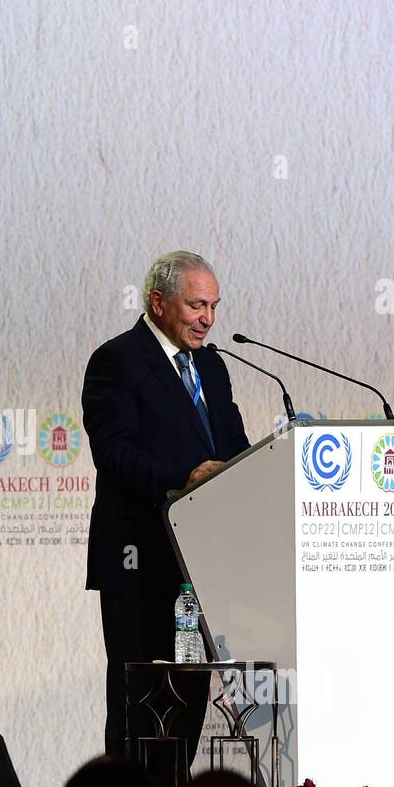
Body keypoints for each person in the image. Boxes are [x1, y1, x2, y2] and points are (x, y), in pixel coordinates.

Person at [82, 250, 250, 759]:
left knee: (189, 706)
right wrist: (184, 477)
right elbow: (114, 453)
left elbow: (235, 449)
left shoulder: (214, 365)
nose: (208, 319)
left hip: (199, 569)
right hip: (140, 563)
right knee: (142, 711)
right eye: (197, 305)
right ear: (158, 302)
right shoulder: (117, 360)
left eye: (215, 306)